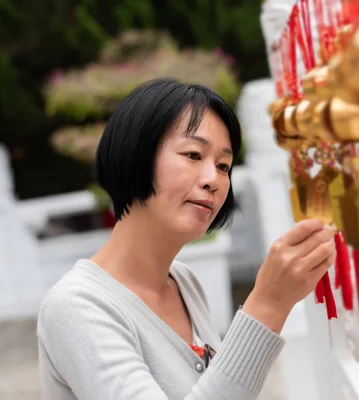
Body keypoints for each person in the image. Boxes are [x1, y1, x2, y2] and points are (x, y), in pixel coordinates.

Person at [36, 78, 336, 400]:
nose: (214, 180)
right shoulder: (77, 307)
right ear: (135, 153)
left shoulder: (183, 282)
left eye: (224, 166)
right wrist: (268, 304)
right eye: (193, 155)